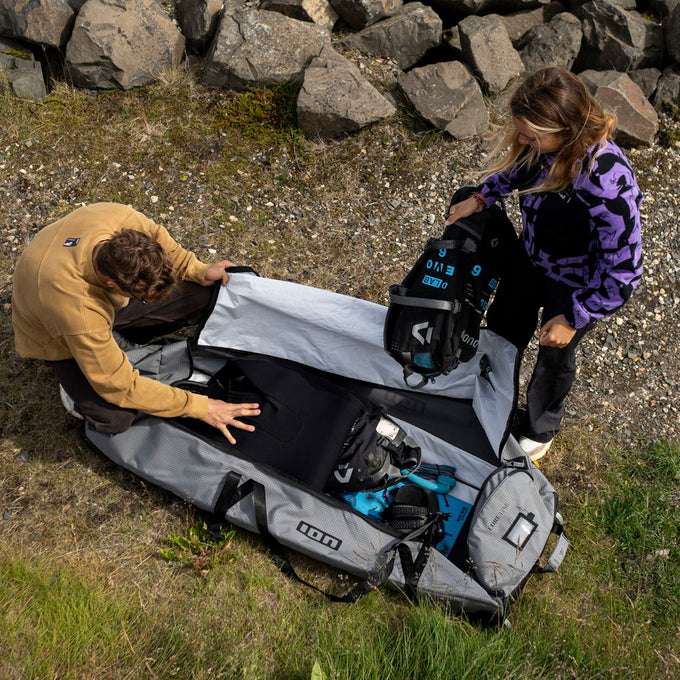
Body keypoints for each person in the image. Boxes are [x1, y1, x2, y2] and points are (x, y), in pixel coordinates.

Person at [445, 67, 643, 462]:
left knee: (555, 356)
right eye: (522, 132)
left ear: (567, 130)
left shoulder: (606, 181)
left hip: (575, 286)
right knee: (503, 328)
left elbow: (624, 271)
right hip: (530, 259)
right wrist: (482, 197)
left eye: (531, 136)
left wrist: (574, 317)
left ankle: (541, 425)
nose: (522, 141)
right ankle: (491, 391)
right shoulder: (542, 146)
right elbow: (518, 170)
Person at [11, 202, 260, 443]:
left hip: (89, 308)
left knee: (205, 295)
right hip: (58, 337)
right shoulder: (76, 307)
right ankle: (75, 390)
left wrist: (196, 269)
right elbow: (120, 386)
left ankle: (117, 337)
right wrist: (200, 407)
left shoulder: (118, 217)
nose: (147, 301)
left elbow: (159, 238)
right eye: (140, 297)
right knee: (116, 417)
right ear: (112, 284)